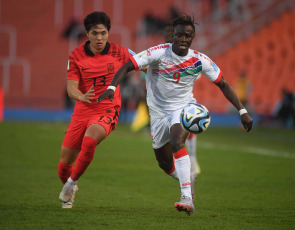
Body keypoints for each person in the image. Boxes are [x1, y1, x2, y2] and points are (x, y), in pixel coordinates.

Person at [97, 14, 253, 215]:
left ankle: (186, 198)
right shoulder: (158, 53)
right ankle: (188, 177)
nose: (183, 39)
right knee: (163, 162)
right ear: (173, 36)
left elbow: (222, 83)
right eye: (179, 35)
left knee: (177, 141)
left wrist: (242, 111)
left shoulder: (200, 60)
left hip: (183, 109)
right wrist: (111, 87)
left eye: (187, 36)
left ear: (192, 37)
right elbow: (128, 65)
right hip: (158, 114)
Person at [57, 11, 137, 208]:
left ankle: (71, 184)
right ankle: (69, 184)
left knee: (90, 140)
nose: (99, 38)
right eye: (94, 33)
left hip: (108, 109)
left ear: (109, 32)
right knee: (63, 166)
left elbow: (146, 63)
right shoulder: (76, 55)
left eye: (103, 33)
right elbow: (71, 88)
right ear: (87, 33)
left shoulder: (121, 52)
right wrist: (80, 96)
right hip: (82, 110)